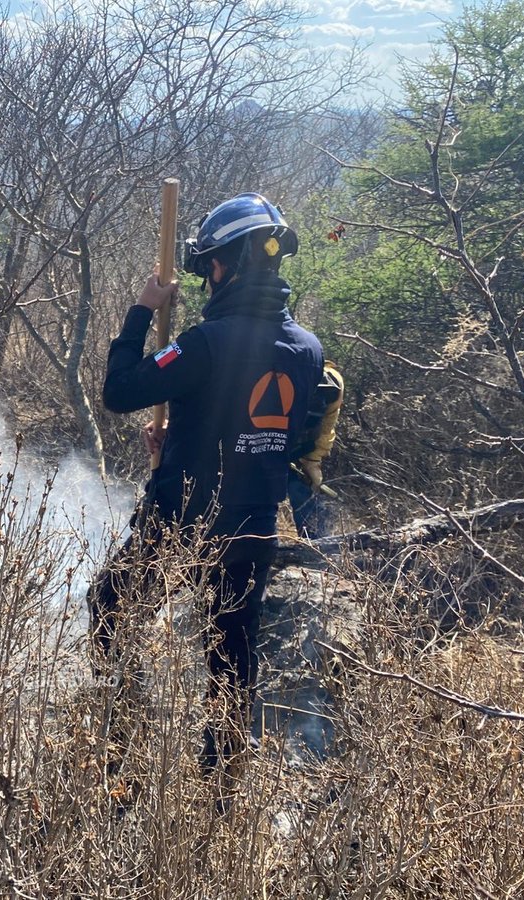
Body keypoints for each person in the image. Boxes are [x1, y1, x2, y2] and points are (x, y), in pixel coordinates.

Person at [90, 191, 325, 786]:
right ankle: (219, 796)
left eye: (208, 267)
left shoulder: (203, 343)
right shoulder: (308, 350)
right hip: (254, 529)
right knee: (230, 663)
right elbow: (271, 438)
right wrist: (180, 444)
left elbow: (119, 390)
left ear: (225, 266)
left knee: (109, 612)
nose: (205, 278)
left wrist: (143, 310)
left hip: (181, 523)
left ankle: (121, 754)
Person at [286, 360, 344, 539]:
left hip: (296, 452)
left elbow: (326, 426)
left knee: (302, 491)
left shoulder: (332, 382)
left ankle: (315, 550)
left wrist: (312, 462)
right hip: (252, 447)